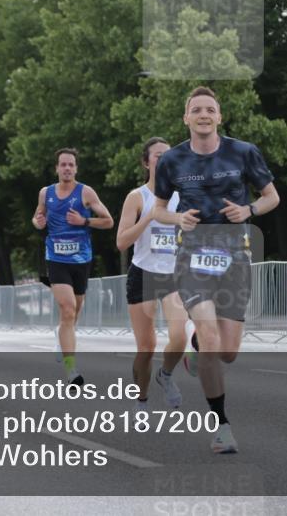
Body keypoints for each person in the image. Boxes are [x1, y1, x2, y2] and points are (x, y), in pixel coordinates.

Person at [152, 86, 280, 454]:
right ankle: (221, 426)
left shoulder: (243, 152)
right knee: (210, 339)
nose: (204, 115)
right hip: (192, 258)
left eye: (210, 109)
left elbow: (272, 196)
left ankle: (195, 346)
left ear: (219, 117)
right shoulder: (172, 160)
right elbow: (159, 209)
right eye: (197, 110)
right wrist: (177, 217)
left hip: (235, 258)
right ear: (187, 118)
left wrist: (249, 211)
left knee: (227, 353)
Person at [115, 137, 188, 412]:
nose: (164, 161)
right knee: (146, 347)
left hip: (172, 276)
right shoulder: (137, 197)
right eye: (158, 157)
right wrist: (149, 217)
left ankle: (166, 375)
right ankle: (141, 398)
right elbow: (121, 242)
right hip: (143, 274)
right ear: (147, 163)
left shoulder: (182, 196)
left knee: (179, 337)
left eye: (168, 156)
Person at [31, 148, 114, 387]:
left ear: (76, 168)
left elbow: (108, 221)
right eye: (63, 164)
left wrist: (84, 221)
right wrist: (38, 222)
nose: (67, 168)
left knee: (75, 311)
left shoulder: (86, 192)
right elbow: (37, 219)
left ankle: (62, 338)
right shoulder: (45, 193)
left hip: (81, 259)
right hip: (56, 259)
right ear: (57, 168)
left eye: (71, 165)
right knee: (67, 309)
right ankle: (71, 371)